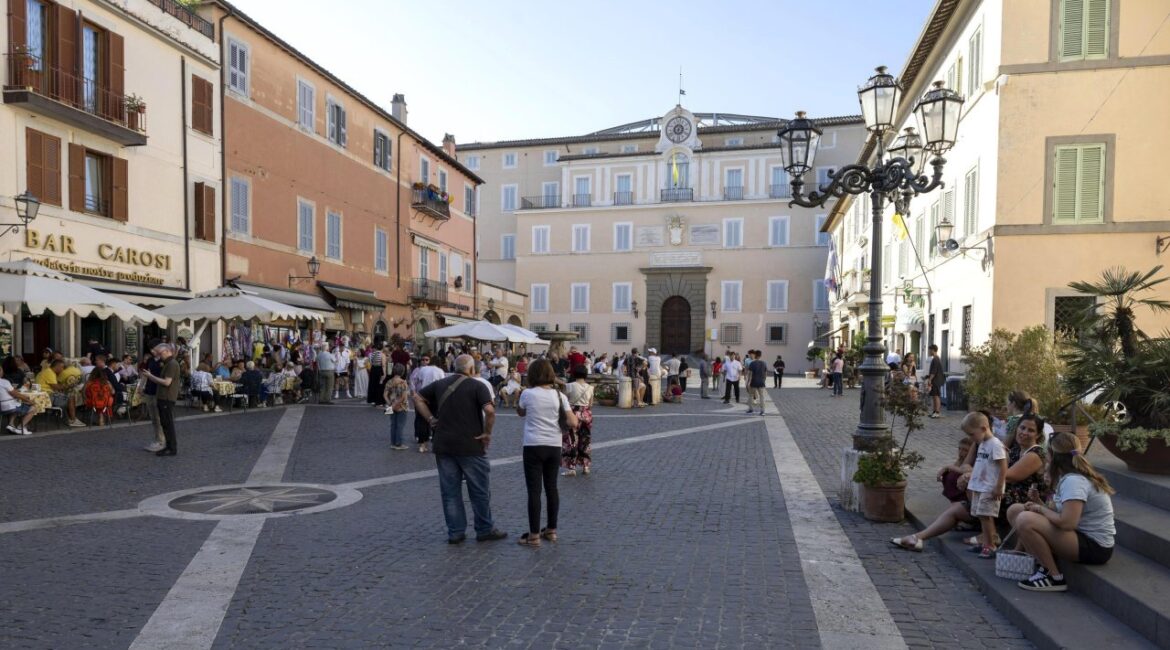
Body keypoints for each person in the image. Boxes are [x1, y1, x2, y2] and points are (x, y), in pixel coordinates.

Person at [413, 354, 506, 545]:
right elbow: (489, 411)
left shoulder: (440, 384)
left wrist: (431, 419)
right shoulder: (478, 386)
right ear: (472, 369)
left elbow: (417, 397)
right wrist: (487, 433)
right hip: (471, 444)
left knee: (450, 491)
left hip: (444, 444)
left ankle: (455, 532)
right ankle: (484, 529)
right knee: (479, 491)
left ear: (455, 367)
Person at [1008, 431, 1115, 592]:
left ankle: (1054, 577)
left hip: (1095, 546)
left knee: (1025, 519)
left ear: (1054, 458)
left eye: (1047, 455)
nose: (1045, 460)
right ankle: (1043, 565)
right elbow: (1057, 512)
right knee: (1015, 510)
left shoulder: (1074, 481)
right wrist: (1038, 502)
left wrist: (1040, 510)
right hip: (1077, 536)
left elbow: (1067, 523)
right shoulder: (1068, 478)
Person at [516, 359, 578, 547]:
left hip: (533, 445)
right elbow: (573, 422)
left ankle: (534, 535)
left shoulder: (527, 394)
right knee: (552, 488)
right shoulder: (559, 396)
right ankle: (551, 530)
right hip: (554, 445)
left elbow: (520, 412)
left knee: (534, 491)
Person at [141, 343, 181, 456]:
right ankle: (168, 447)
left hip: (167, 397)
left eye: (160, 353)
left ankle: (171, 448)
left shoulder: (172, 364)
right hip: (163, 397)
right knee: (165, 423)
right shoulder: (168, 363)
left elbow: (167, 382)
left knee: (167, 423)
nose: (159, 355)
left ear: (167, 351)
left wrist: (150, 376)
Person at [410, 354, 446, 453]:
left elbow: (418, 381)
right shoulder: (440, 371)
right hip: (435, 396)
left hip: (423, 395)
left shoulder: (423, 369)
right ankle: (435, 443)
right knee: (435, 419)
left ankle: (422, 444)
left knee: (422, 420)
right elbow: (442, 384)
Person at [563, 365, 594, 476]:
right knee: (585, 440)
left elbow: (564, 401)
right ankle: (585, 467)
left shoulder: (569, 386)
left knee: (572, 440)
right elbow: (590, 404)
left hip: (573, 413)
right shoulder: (590, 388)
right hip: (586, 415)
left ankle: (572, 467)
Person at [37, 359, 85, 427]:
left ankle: (69, 418)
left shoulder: (49, 371)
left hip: (46, 395)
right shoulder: (49, 373)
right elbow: (57, 387)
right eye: (62, 367)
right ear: (57, 366)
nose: (63, 370)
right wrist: (69, 385)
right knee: (71, 397)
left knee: (68, 395)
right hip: (47, 397)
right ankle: (73, 419)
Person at [1, 365, 37, 434]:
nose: (3, 372)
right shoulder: (4, 382)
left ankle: (11, 424)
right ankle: (20, 427)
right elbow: (16, 394)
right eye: (2, 370)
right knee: (33, 408)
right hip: (8, 406)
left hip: (2, 406)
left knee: (18, 404)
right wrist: (29, 401)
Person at [383, 363, 410, 450]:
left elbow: (385, 395)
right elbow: (403, 397)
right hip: (402, 406)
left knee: (393, 425)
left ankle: (393, 443)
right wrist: (397, 404)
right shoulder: (403, 383)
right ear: (402, 372)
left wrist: (390, 404)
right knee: (400, 426)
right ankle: (399, 444)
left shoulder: (389, 381)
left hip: (392, 405)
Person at [746, 350, 768, 415]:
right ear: (760, 356)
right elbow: (765, 373)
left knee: (751, 395)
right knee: (762, 396)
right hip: (761, 382)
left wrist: (748, 382)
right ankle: (763, 411)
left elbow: (750, 374)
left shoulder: (752, 363)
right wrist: (764, 380)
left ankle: (751, 409)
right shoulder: (764, 363)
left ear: (755, 355)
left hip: (753, 381)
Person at [926, 344, 944, 418]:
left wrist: (930, 379)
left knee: (936, 396)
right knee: (934, 396)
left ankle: (937, 412)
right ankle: (934, 411)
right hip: (936, 380)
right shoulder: (936, 358)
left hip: (936, 380)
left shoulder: (935, 359)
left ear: (933, 350)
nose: (928, 351)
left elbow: (934, 371)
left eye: (929, 350)